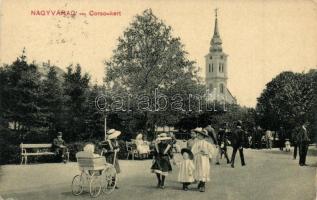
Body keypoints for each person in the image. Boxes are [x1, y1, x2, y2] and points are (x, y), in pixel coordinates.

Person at [191, 127, 214, 192]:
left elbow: (211, 151)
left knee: (204, 171)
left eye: (200, 135)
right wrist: (195, 154)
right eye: (198, 135)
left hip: (204, 159)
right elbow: (193, 151)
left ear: (203, 136)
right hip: (198, 159)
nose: (198, 136)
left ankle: (202, 185)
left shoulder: (207, 144)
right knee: (199, 171)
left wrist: (206, 152)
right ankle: (200, 183)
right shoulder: (196, 143)